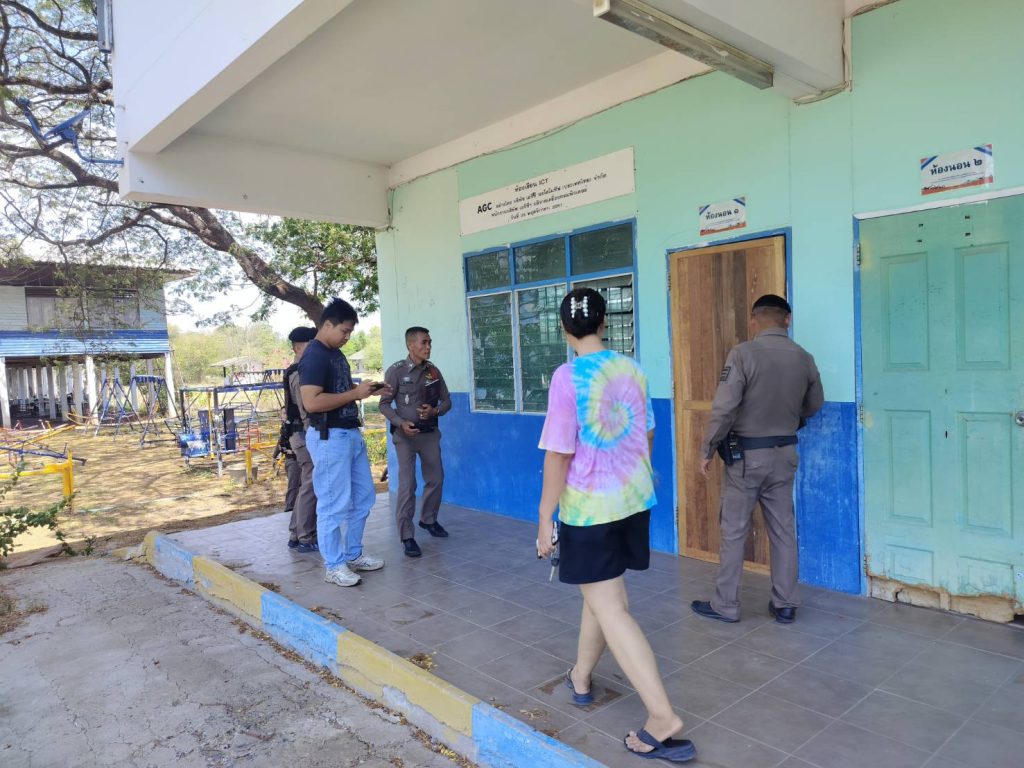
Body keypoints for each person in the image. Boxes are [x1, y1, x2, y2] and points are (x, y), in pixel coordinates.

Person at [537, 288, 695, 763]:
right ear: (604, 323)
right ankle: (581, 677)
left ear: (564, 330)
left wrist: (544, 518)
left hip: (590, 510)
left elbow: (559, 454)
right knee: (604, 597)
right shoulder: (632, 369)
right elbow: (647, 432)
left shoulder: (567, 376)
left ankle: (662, 718)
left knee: (611, 607)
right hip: (632, 500)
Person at [691, 294, 824, 625]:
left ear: (754, 321)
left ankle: (726, 604)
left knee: (734, 530)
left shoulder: (743, 354)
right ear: (787, 320)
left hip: (747, 457)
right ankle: (785, 603)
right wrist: (790, 419)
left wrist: (707, 448)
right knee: (783, 530)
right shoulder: (804, 357)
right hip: (785, 454)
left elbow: (724, 408)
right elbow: (814, 404)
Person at [299, 298, 390, 588]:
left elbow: (338, 388)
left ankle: (353, 554)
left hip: (349, 434)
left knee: (363, 497)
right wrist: (354, 395)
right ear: (327, 324)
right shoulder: (314, 356)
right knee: (333, 504)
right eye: (344, 331)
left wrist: (366, 390)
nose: (347, 337)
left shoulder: (335, 354)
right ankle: (334, 565)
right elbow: (312, 402)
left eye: (350, 332)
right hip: (329, 437)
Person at [379, 326, 451, 558]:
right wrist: (400, 423)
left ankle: (428, 519)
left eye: (430, 342)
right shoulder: (396, 371)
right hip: (405, 437)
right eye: (424, 342)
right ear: (410, 345)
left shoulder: (433, 371)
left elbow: (447, 401)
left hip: (429, 434)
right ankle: (407, 536)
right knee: (408, 484)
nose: (428, 346)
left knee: (436, 479)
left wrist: (435, 410)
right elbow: (383, 404)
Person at [284, 326, 318, 553]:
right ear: (298, 347)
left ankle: (296, 534)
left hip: (300, 435)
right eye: (310, 344)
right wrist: (314, 435)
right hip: (304, 435)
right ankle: (305, 536)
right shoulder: (299, 373)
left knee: (307, 484)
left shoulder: (296, 370)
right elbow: (306, 410)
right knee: (310, 486)